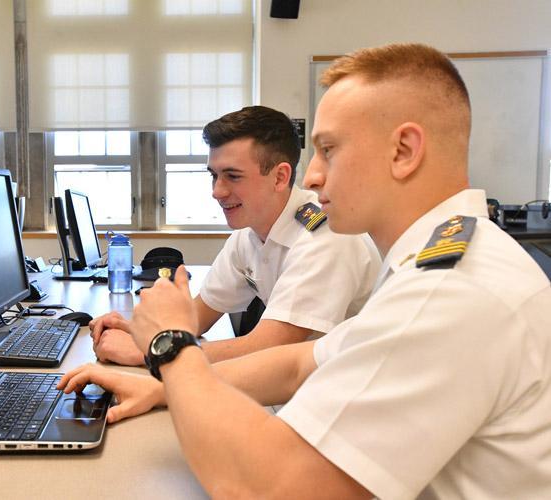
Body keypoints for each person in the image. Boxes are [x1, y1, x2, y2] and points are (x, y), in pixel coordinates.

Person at [58, 43, 551, 499]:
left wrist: (169, 347)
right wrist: (166, 386)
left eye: (329, 149)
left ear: (404, 151)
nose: (312, 175)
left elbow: (272, 487)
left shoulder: (449, 290)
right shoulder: (436, 260)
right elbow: (300, 363)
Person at [90, 105, 381, 365]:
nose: (217, 191)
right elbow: (198, 317)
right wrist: (137, 328)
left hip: (341, 406)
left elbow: (271, 344)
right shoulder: (250, 232)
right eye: (214, 175)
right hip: (289, 392)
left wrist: (152, 353)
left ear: (280, 177)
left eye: (233, 176)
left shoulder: (325, 236)